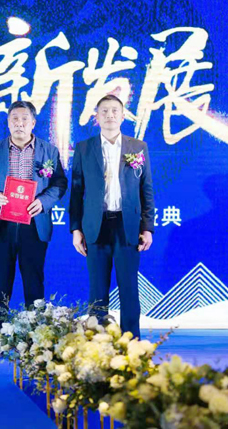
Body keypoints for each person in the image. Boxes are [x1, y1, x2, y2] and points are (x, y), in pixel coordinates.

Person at [0, 101, 67, 359]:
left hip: (34, 226)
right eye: (14, 118)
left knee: (34, 286)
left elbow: (60, 183)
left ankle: (37, 342)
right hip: (2, 225)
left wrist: (44, 201)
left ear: (33, 123)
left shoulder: (49, 150)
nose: (19, 123)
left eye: (24, 119)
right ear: (8, 122)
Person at [69, 94, 155, 338]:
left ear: (123, 116)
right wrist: (76, 229)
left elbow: (146, 189)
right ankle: (98, 343)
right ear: (96, 117)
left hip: (128, 226)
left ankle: (132, 342)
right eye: (104, 111)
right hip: (95, 226)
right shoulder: (84, 148)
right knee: (97, 289)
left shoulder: (137, 147)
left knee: (129, 288)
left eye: (114, 111)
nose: (109, 115)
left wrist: (147, 227)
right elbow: (77, 192)